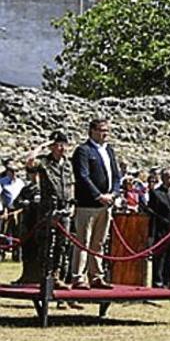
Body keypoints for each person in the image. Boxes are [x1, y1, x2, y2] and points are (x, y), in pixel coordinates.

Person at [71, 118, 121, 290]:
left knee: (99, 242)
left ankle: (96, 275)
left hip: (106, 205)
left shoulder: (109, 150)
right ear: (92, 131)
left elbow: (116, 174)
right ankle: (79, 276)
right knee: (83, 241)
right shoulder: (83, 151)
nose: (105, 133)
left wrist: (114, 193)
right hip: (87, 204)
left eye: (107, 130)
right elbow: (83, 176)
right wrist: (98, 195)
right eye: (101, 130)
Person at [26, 131, 74, 289]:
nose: (62, 148)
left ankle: (57, 276)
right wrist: (43, 145)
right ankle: (45, 276)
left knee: (63, 245)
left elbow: (71, 185)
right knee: (47, 245)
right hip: (49, 209)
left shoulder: (68, 163)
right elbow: (30, 161)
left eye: (64, 144)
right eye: (58, 145)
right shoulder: (45, 162)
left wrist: (72, 205)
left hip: (65, 208)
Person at [146, 168, 170, 289]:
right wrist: (152, 234)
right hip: (161, 233)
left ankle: (167, 283)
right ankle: (158, 283)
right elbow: (151, 214)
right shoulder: (156, 193)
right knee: (159, 259)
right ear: (163, 179)